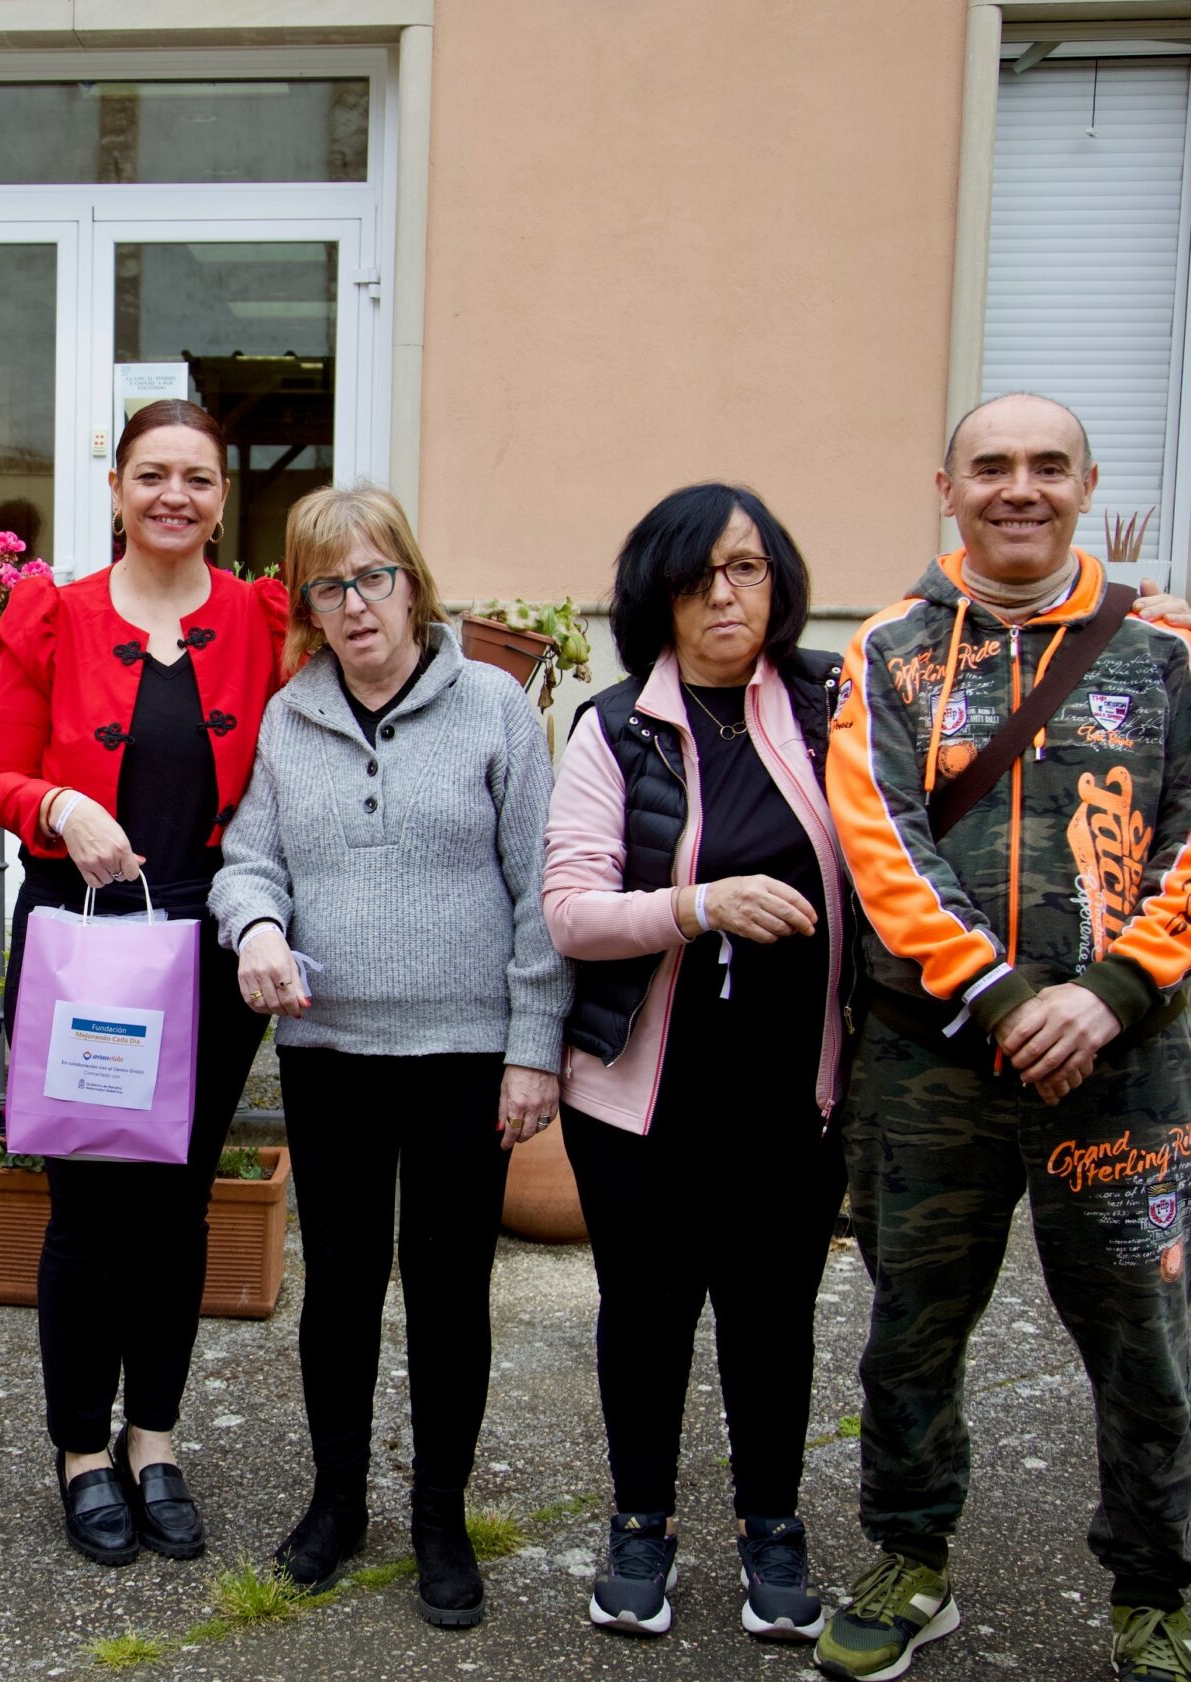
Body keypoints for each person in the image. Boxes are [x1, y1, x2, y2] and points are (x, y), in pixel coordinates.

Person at [816, 393, 1191, 1682]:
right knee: (909, 1332)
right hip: (931, 1065)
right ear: (945, 487)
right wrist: (1002, 997)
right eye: (991, 465)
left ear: (1086, 485)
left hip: (1122, 1071)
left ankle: (1152, 1594)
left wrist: (1107, 992)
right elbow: (880, 841)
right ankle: (908, 1558)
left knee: (1142, 1343)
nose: (1020, 486)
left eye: (1047, 465)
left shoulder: (1161, 650)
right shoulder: (888, 650)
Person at [211, 485, 570, 1627]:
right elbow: (248, 859)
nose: (356, 604)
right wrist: (255, 928)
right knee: (340, 1287)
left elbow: (541, 891)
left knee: (451, 1290)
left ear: (413, 581)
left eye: (374, 576)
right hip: (332, 1051)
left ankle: (439, 1517)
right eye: (329, 585)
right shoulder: (290, 717)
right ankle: (337, 1501)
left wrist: (534, 1047)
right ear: (306, 606)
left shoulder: (494, 707)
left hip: (464, 1054)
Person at [540, 483, 853, 1645]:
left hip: (795, 1085)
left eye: (746, 567)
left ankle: (772, 1524)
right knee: (646, 1311)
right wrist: (698, 903)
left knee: (773, 1315)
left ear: (777, 582)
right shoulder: (614, 725)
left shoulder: (833, 707)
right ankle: (641, 1523)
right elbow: (570, 912)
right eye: (696, 574)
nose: (724, 593)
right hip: (644, 1095)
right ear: (657, 595)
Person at [0, 398, 290, 1567]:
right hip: (83, 941)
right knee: (85, 1207)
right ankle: (79, 1449)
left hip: (209, 946)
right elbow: (1, 775)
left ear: (222, 497)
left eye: (197, 478)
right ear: (114, 487)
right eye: (152, 473)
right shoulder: (51, 615)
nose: (175, 495)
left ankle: (152, 1436)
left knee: (178, 1204)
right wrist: (59, 803)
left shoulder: (263, 618)